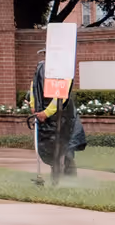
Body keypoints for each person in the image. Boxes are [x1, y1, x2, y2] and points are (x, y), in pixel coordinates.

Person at [29, 49, 87, 177]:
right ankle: (55, 176)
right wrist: (33, 106)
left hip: (64, 116)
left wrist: (46, 112)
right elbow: (34, 87)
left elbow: (62, 94)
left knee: (66, 149)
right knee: (50, 147)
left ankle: (68, 177)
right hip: (46, 116)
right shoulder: (41, 67)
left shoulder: (64, 71)